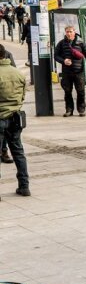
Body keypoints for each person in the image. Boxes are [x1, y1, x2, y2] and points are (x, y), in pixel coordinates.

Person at [0, 44, 28, 199]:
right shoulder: (18, 73)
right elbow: (23, 95)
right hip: (15, 117)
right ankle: (24, 186)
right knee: (18, 152)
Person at [53, 25, 86, 117]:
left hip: (79, 71)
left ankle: (81, 109)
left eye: (71, 31)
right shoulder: (61, 43)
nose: (69, 33)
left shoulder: (81, 42)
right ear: (65, 32)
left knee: (81, 91)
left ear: (74, 32)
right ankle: (69, 110)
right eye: (67, 32)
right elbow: (56, 55)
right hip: (66, 72)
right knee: (67, 91)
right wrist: (63, 61)